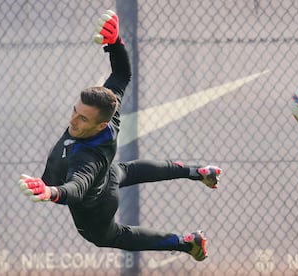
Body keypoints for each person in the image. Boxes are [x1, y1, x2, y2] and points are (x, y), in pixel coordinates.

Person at [18, 10, 222, 262]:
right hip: (108, 175)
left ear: (100, 125)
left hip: (94, 207)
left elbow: (78, 187)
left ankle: (187, 244)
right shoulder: (108, 114)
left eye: (82, 118)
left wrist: (51, 192)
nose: (73, 120)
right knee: (127, 171)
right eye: (75, 111)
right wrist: (115, 43)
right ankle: (198, 172)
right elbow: (121, 75)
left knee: (112, 235)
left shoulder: (87, 159)